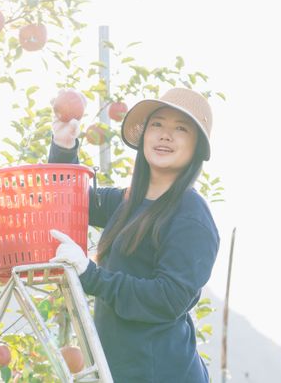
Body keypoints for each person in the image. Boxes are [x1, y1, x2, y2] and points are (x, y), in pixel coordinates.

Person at [47, 87, 220, 383]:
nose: (165, 135)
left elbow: (168, 298)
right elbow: (70, 202)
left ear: (196, 147)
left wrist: (90, 274)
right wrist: (64, 146)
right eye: (157, 124)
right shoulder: (127, 202)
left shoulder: (191, 215)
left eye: (181, 128)